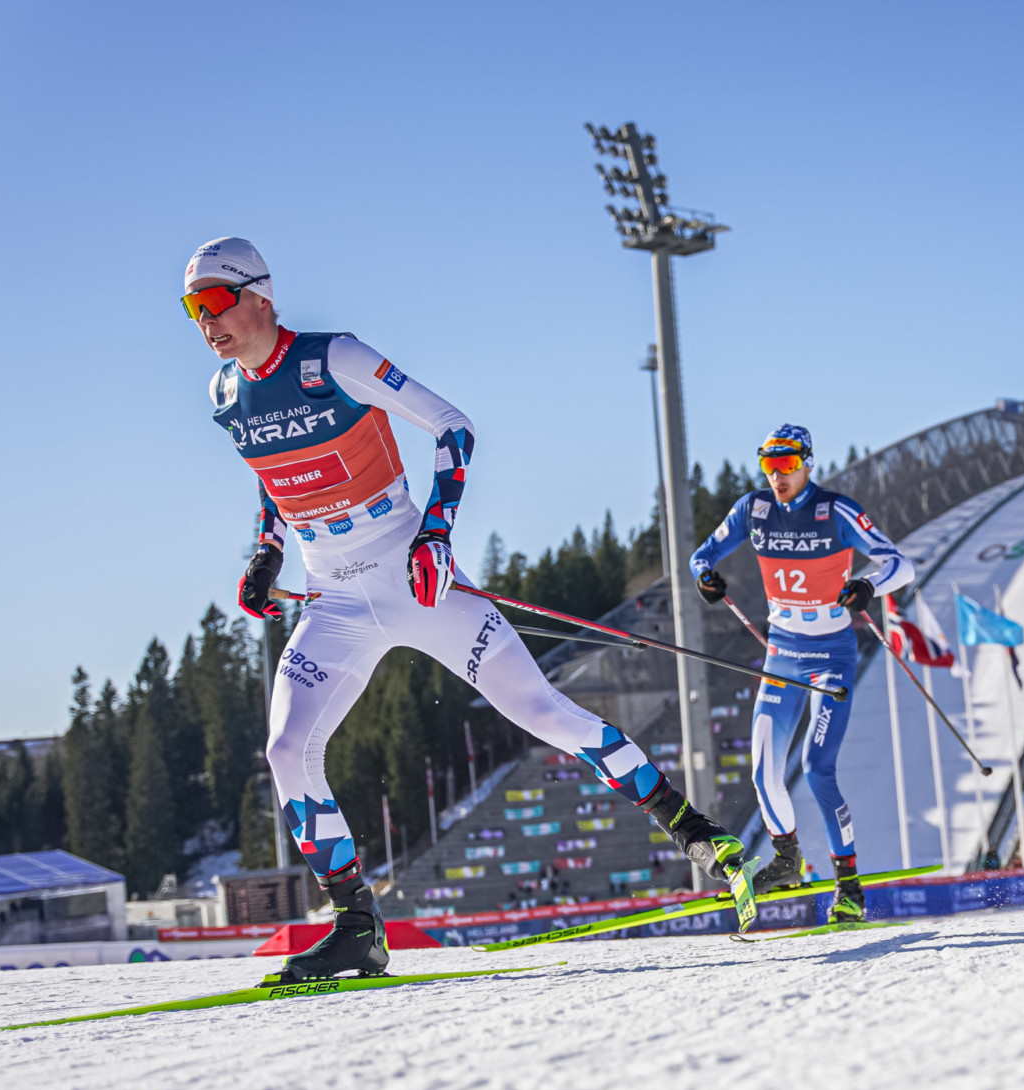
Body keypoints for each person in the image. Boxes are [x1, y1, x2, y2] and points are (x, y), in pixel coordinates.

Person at [182, 237, 752, 980]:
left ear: (259, 295)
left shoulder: (334, 359)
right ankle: (358, 925)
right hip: (334, 600)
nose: (206, 321)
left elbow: (454, 425)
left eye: (217, 301)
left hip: (413, 577)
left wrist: (436, 533)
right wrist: (265, 554)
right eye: (194, 308)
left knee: (544, 712)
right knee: (287, 751)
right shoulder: (226, 395)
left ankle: (697, 832)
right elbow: (271, 477)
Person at [688, 425, 914, 922]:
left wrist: (867, 584)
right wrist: (705, 577)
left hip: (831, 655)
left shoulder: (834, 510)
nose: (776, 474)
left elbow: (901, 565)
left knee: (816, 769)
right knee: (763, 771)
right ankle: (787, 857)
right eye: (768, 464)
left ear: (807, 462)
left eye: (787, 463)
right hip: (783, 654)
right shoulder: (754, 509)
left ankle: (850, 886)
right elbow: (701, 555)